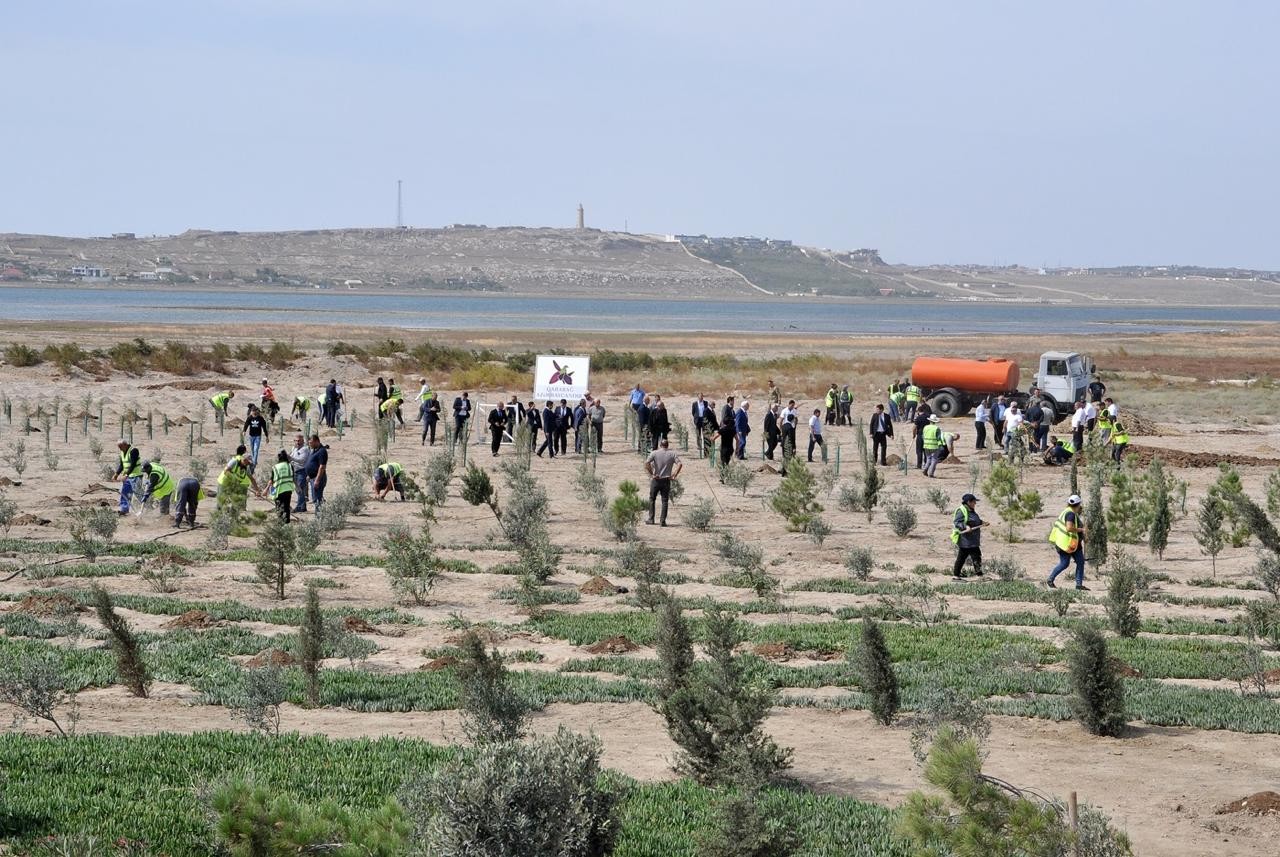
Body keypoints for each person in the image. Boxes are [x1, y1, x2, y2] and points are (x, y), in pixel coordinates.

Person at [1047, 494, 1088, 590]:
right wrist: (1081, 530)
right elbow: (1069, 528)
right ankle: (1050, 579)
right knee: (1064, 563)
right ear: (1078, 505)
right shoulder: (1070, 514)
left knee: (1080, 562)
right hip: (1066, 543)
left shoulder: (1066, 511)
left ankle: (1079, 585)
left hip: (1072, 543)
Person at [645, 438, 683, 527]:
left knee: (652, 499)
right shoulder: (672, 454)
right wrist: (674, 474)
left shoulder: (654, 453)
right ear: (667, 445)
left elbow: (647, 463)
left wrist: (652, 474)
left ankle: (651, 518)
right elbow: (680, 464)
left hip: (656, 479)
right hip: (666, 480)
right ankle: (662, 521)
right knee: (664, 501)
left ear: (660, 445)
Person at [951, 493, 984, 579]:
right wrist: (966, 527)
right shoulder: (961, 510)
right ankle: (956, 576)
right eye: (974, 502)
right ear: (969, 502)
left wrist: (982, 522)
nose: (975, 503)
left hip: (973, 540)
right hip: (966, 540)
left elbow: (974, 520)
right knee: (963, 557)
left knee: (976, 556)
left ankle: (979, 575)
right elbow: (957, 522)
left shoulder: (971, 510)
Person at [113, 439, 143, 515]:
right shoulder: (122, 452)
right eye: (118, 447)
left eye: (120, 446)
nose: (119, 448)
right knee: (125, 492)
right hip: (128, 477)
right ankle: (124, 509)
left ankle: (147, 507)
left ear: (125, 445)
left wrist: (126, 475)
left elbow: (133, 464)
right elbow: (122, 465)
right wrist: (116, 474)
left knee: (138, 493)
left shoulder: (134, 451)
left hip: (136, 475)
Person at [268, 450, 294, 521]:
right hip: (288, 489)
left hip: (278, 489)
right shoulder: (290, 466)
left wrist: (266, 490)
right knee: (286, 506)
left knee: (279, 507)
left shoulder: (275, 467)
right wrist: (298, 488)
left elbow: (271, 480)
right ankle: (286, 522)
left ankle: (280, 522)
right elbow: (293, 477)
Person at [289, 433, 310, 513]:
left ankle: (299, 506)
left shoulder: (305, 449)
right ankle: (303, 506)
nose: (297, 442)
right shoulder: (294, 448)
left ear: (303, 441)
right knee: (298, 489)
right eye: (296, 441)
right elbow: (291, 456)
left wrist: (291, 458)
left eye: (299, 441)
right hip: (295, 471)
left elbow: (302, 460)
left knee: (300, 488)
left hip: (302, 471)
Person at [305, 434, 328, 508]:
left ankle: (319, 516)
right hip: (312, 478)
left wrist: (317, 480)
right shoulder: (314, 450)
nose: (309, 444)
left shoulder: (322, 451)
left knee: (318, 498)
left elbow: (322, 467)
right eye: (309, 443)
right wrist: (309, 475)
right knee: (315, 498)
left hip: (318, 478)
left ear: (317, 441)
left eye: (311, 442)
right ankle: (318, 515)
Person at [912, 404, 933, 470]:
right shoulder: (928, 417)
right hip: (927, 435)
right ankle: (926, 463)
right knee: (926, 450)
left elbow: (914, 428)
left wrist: (914, 434)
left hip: (920, 435)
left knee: (919, 451)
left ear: (918, 411)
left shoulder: (918, 418)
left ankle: (919, 465)